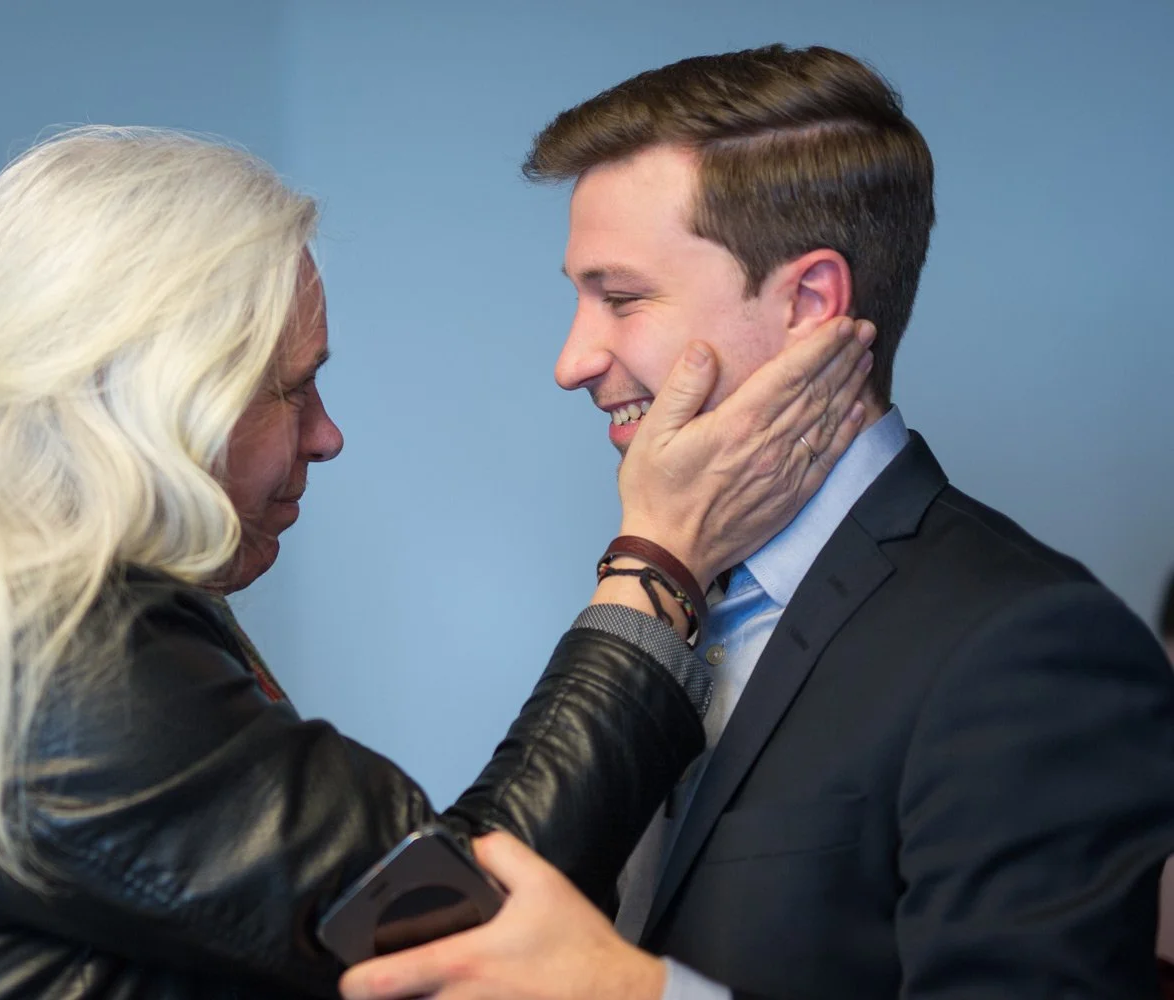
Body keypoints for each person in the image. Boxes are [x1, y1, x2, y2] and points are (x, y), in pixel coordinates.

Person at [0, 126, 873, 998]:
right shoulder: (40, 652)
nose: (326, 433)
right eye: (290, 386)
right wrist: (655, 566)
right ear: (148, 397)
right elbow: (458, 926)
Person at [341, 44, 1174, 1000]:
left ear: (809, 304)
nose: (572, 360)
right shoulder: (672, 589)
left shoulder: (1029, 645)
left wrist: (629, 995)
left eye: (620, 298)